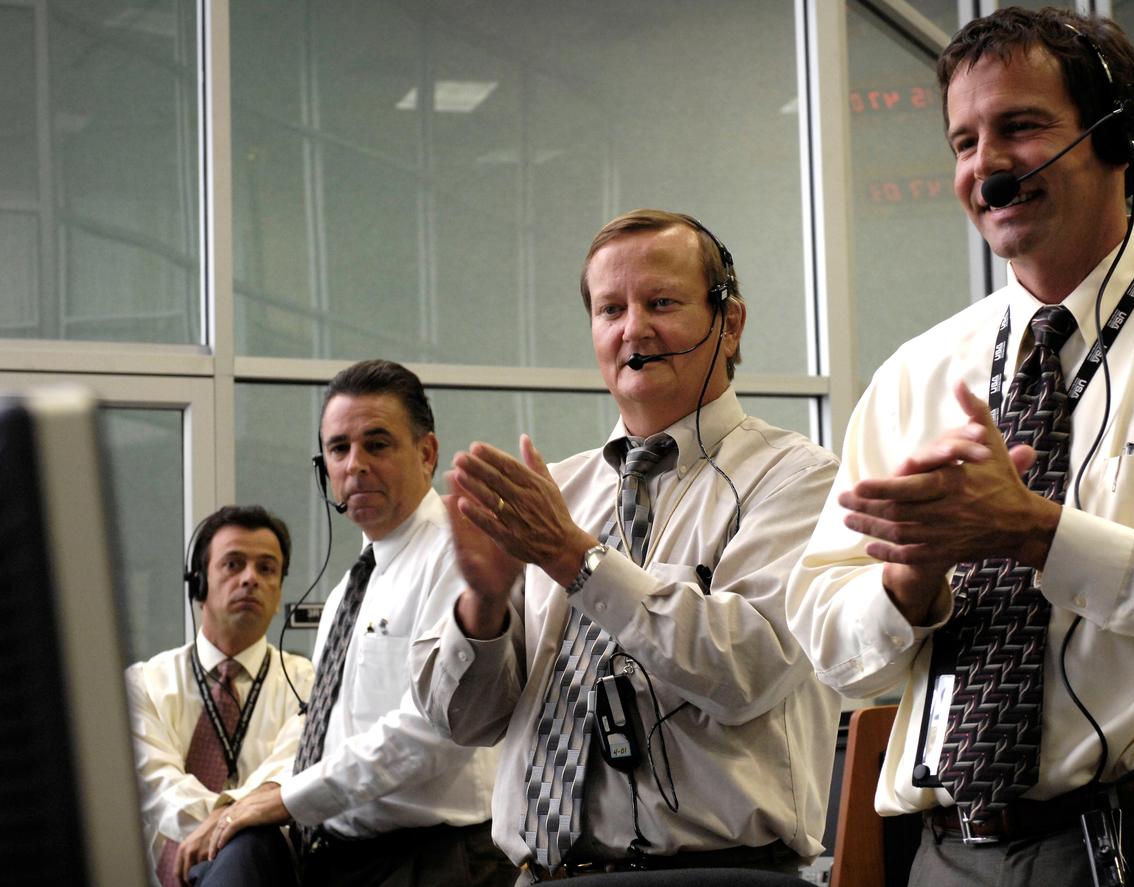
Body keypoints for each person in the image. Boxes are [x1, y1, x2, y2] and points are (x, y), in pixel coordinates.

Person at [787, 7, 1134, 886]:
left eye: (1019, 127)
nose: (987, 166)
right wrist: (908, 580)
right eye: (964, 141)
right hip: (946, 853)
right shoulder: (916, 373)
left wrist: (1041, 534)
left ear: (1117, 136)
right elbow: (826, 640)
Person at [412, 209, 841, 882]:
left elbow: (748, 670)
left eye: (661, 302)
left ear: (729, 322)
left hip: (713, 873)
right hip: (538, 873)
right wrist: (485, 606)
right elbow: (461, 720)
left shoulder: (798, 477)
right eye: (610, 309)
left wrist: (574, 560)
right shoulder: (557, 492)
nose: (634, 330)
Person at [198, 360, 515, 887]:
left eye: (377, 444)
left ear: (427, 453)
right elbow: (328, 730)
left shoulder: (458, 557)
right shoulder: (353, 584)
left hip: (435, 862)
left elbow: (433, 730)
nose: (355, 464)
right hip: (347, 859)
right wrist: (252, 800)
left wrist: (289, 800)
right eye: (339, 448)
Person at [127, 505, 314, 887]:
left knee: (253, 838)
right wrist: (234, 814)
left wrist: (233, 821)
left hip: (269, 873)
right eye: (233, 564)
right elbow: (159, 791)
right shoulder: (142, 684)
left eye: (266, 568)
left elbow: (290, 776)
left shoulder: (308, 682)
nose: (250, 579)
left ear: (279, 593)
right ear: (199, 584)